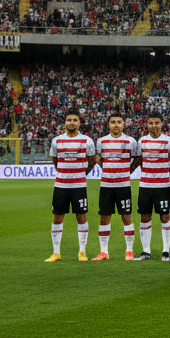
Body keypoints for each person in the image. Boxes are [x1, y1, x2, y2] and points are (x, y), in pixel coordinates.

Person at [45, 109, 96, 262]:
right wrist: (65, 173)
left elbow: (92, 162)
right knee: (57, 218)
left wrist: (80, 174)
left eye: (74, 120)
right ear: (65, 122)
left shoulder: (87, 141)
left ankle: (82, 252)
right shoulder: (56, 140)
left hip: (79, 186)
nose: (71, 123)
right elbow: (55, 161)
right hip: (61, 186)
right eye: (69, 120)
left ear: (79, 123)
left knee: (81, 217)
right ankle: (56, 253)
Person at [93, 111, 139, 261]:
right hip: (106, 186)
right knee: (104, 218)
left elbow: (137, 159)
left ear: (123, 124)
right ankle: (104, 252)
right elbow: (98, 159)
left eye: (119, 122)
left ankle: (129, 251)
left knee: (126, 217)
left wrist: (127, 171)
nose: (116, 125)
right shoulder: (101, 141)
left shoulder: (131, 141)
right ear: (108, 125)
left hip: (123, 186)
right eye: (113, 122)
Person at [136, 112, 170, 261]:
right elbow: (139, 159)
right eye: (151, 123)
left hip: (162, 186)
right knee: (145, 216)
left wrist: (168, 171)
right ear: (147, 125)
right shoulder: (141, 141)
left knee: (165, 216)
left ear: (161, 124)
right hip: (145, 185)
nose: (154, 126)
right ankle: (146, 251)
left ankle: (165, 251)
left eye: (157, 123)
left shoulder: (169, 141)